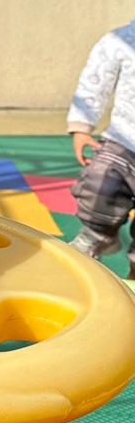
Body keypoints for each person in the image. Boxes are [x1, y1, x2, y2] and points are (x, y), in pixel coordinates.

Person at [68, 17, 135, 272]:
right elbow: (95, 80)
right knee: (101, 185)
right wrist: (81, 125)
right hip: (123, 141)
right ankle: (95, 233)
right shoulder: (124, 39)